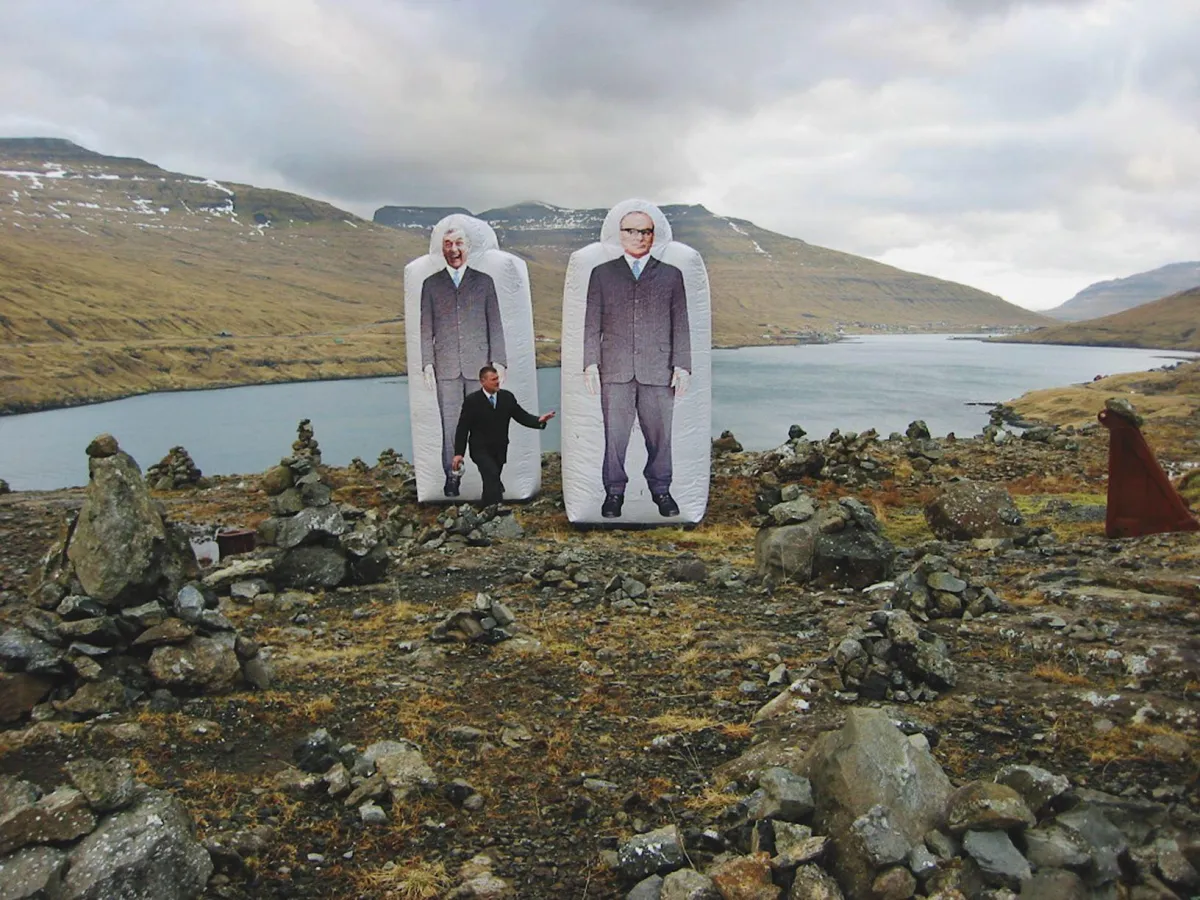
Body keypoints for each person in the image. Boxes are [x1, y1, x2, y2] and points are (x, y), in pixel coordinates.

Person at [583, 209, 691, 518]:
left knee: (660, 435)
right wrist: (590, 362)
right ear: (621, 234)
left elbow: (680, 323)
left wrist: (682, 364)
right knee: (614, 436)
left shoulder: (671, 274)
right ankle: (614, 493)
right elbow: (591, 322)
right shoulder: (602, 273)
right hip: (614, 368)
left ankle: (661, 490)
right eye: (632, 231)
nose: (639, 237)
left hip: (659, 370)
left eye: (645, 232)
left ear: (653, 236)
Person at [420, 226, 507, 497]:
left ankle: (492, 478)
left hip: (480, 368)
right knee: (451, 426)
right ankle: (452, 476)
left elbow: (495, 324)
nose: (453, 249)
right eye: (448, 244)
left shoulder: (484, 282)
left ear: (467, 248)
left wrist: (499, 361)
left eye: (458, 243)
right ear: (442, 249)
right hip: (446, 368)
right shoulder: (431, 285)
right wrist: (427, 362)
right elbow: (425, 328)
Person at [453, 366, 555, 506]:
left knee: (491, 480)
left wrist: (538, 421)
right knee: (492, 474)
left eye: (497, 378)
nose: (497, 382)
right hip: (479, 449)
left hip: (499, 449)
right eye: (493, 379)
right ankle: (499, 512)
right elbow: (463, 428)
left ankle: (486, 509)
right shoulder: (472, 401)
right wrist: (459, 453)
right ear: (483, 381)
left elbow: (521, 416)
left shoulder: (507, 397)